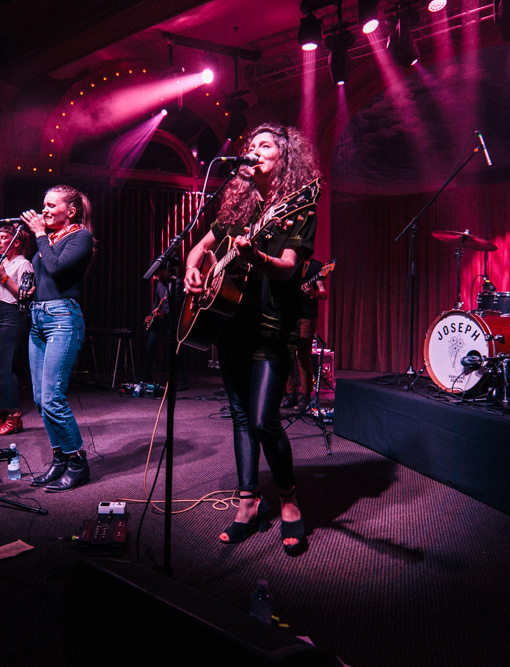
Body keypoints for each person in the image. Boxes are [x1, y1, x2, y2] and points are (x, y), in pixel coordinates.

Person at [183, 124, 320, 555]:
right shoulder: (236, 204)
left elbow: (288, 267)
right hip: (230, 325)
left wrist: (255, 256)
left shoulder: (298, 207)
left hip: (270, 325)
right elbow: (200, 246)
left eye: (265, 146)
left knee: (263, 420)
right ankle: (246, 502)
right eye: (251, 145)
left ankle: (288, 498)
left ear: (284, 158)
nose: (254, 152)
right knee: (241, 416)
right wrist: (193, 267)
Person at [19, 185, 95, 492]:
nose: (44, 210)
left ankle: (78, 462)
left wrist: (38, 235)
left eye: (52, 205)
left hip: (62, 319)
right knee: (40, 399)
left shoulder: (81, 237)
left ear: (71, 211)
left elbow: (56, 267)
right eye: (43, 204)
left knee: (53, 398)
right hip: (38, 319)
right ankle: (60, 459)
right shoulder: (49, 240)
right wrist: (28, 287)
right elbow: (44, 276)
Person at [0, 224, 33, 436]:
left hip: (10, 316)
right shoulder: (0, 262)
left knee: (2, 367)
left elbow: (24, 295)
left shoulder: (24, 264)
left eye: (3, 237)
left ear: (16, 242)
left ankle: (14, 416)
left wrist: (2, 276)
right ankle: (2, 414)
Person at [281, 257, 329, 410]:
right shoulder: (289, 263)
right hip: (290, 317)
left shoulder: (316, 266)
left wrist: (313, 293)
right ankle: (291, 394)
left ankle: (306, 397)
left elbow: (324, 293)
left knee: (303, 357)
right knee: (287, 356)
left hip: (307, 317)